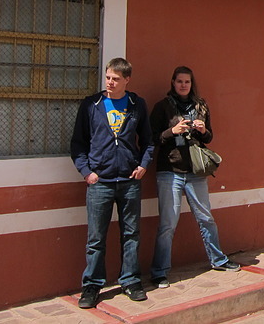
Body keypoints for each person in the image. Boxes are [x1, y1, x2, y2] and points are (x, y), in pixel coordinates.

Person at [70, 57, 154, 309]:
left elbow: (148, 141)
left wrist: (143, 165)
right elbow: (78, 143)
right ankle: (92, 286)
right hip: (100, 182)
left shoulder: (136, 104)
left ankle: (130, 280)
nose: (110, 82)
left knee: (131, 234)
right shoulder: (91, 105)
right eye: (108, 77)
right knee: (96, 238)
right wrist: (87, 172)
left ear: (126, 80)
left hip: (129, 181)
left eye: (115, 79)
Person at [149, 66, 240, 289]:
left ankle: (218, 259)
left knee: (206, 218)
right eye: (179, 81)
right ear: (173, 82)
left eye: (187, 82)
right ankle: (160, 272)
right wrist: (173, 131)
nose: (183, 85)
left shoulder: (201, 106)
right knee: (168, 224)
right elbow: (152, 138)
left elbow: (209, 137)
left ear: (191, 84)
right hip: (170, 171)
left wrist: (201, 130)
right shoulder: (163, 107)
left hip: (196, 172)